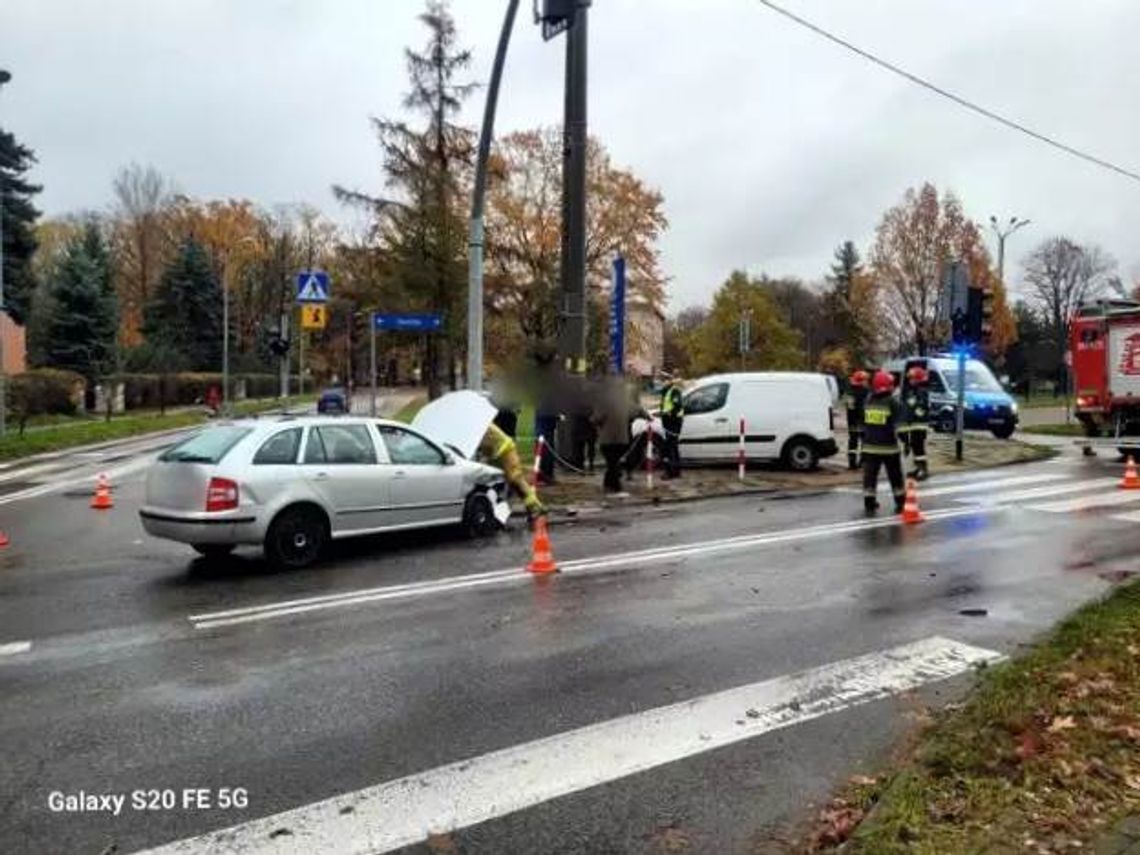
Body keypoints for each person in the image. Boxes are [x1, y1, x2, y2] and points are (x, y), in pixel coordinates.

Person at [476, 422, 546, 520]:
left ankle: (536, 507)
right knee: (506, 484)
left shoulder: (479, 427)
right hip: (498, 455)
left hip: (506, 452)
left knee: (516, 481)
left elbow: (486, 446)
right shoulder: (478, 426)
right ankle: (532, 507)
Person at [861, 369, 906, 514]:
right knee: (895, 475)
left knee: (870, 476)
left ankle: (869, 501)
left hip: (869, 447)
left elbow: (863, 422)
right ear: (888, 386)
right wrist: (906, 442)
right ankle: (900, 502)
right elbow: (899, 426)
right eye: (892, 384)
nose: (893, 387)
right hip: (889, 448)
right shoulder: (893, 402)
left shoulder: (868, 400)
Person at [901, 365, 931, 481]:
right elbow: (909, 406)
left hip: (919, 424)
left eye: (912, 378)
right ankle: (918, 468)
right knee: (915, 446)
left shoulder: (921, 391)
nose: (910, 380)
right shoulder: (912, 391)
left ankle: (923, 469)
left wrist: (914, 416)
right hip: (913, 424)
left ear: (918, 379)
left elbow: (922, 407)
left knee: (919, 447)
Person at [659, 372, 685, 478]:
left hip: (673, 422)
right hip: (669, 422)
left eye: (664, 380)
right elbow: (665, 406)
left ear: (669, 381)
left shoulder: (674, 391)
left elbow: (677, 406)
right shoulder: (666, 391)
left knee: (670, 448)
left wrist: (668, 414)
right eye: (662, 381)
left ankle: (671, 472)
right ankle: (676, 471)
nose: (663, 383)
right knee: (672, 447)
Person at [845, 370, 869, 470]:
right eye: (865, 380)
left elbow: (849, 407)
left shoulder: (849, 392)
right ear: (862, 381)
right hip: (863, 421)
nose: (867, 382)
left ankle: (852, 463)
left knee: (852, 442)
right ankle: (863, 462)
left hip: (852, 422)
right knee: (865, 442)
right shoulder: (865, 392)